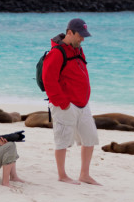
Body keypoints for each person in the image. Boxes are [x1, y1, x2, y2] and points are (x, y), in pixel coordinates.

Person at [42, 18, 101, 186]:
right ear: (69, 33)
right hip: (66, 105)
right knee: (62, 140)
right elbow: (48, 80)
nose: (82, 39)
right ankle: (62, 175)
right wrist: (63, 102)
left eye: (84, 36)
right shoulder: (56, 53)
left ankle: (84, 174)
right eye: (80, 35)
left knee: (90, 138)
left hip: (83, 104)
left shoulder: (78, 50)